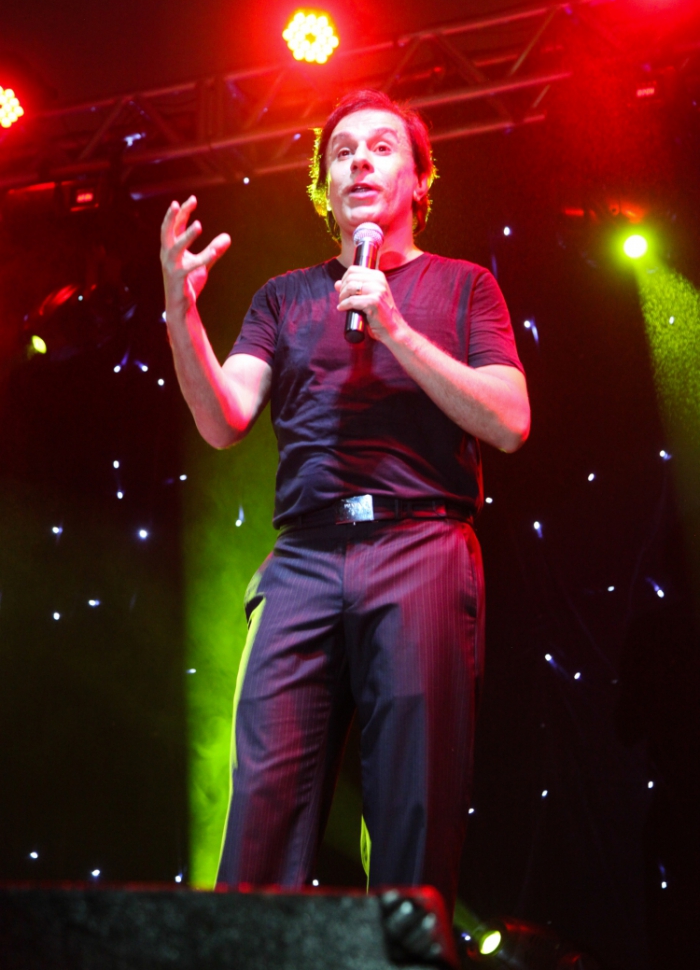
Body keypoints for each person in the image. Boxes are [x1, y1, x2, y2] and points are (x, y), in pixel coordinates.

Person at [160, 89, 530, 918]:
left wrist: (395, 327)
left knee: (412, 809)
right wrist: (181, 314)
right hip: (305, 556)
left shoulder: (464, 286)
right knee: (262, 804)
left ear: (420, 181)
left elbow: (509, 421)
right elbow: (223, 418)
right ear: (324, 188)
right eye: (342, 151)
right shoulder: (284, 297)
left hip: (422, 544)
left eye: (382, 147)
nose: (360, 160)